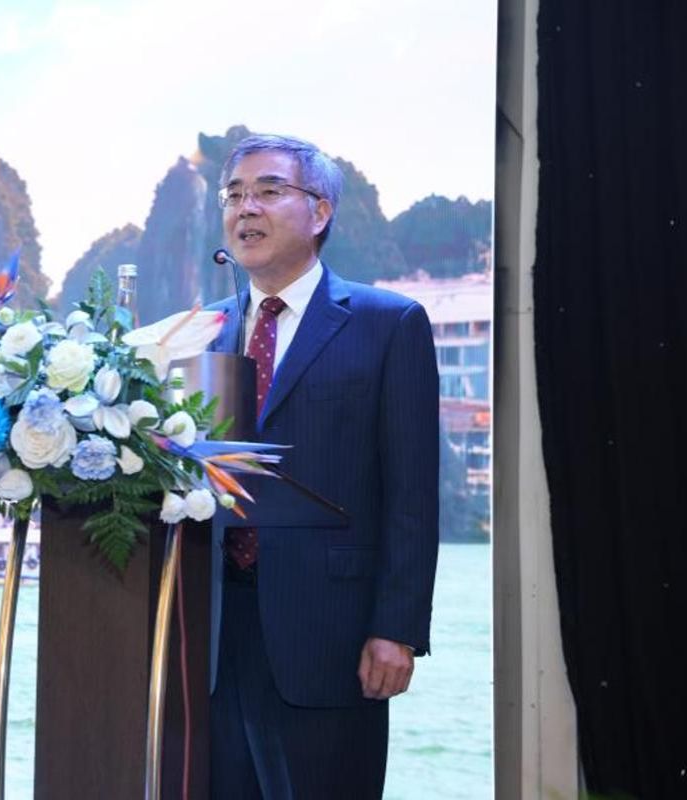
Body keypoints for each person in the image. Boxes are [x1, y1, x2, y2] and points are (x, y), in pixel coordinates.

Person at [206, 134, 439, 798]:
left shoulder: (388, 323)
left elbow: (412, 492)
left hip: (330, 634)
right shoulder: (202, 330)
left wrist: (396, 629)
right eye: (234, 194)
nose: (246, 208)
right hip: (211, 634)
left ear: (320, 211)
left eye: (268, 190)